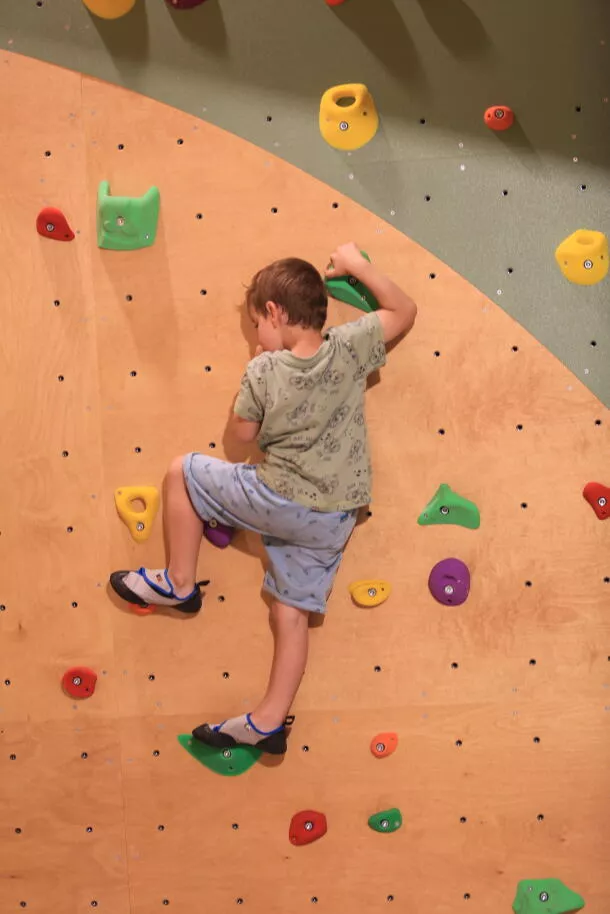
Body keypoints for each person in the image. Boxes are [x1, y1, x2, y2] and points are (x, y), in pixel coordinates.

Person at [109, 242, 417, 755]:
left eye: (257, 325)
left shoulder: (265, 369)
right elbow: (403, 311)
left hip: (281, 498)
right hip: (334, 517)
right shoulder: (348, 347)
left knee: (182, 472)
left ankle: (179, 582)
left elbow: (243, 435)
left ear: (274, 312)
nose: (257, 337)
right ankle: (269, 721)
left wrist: (254, 373)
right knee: (290, 614)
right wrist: (359, 266)